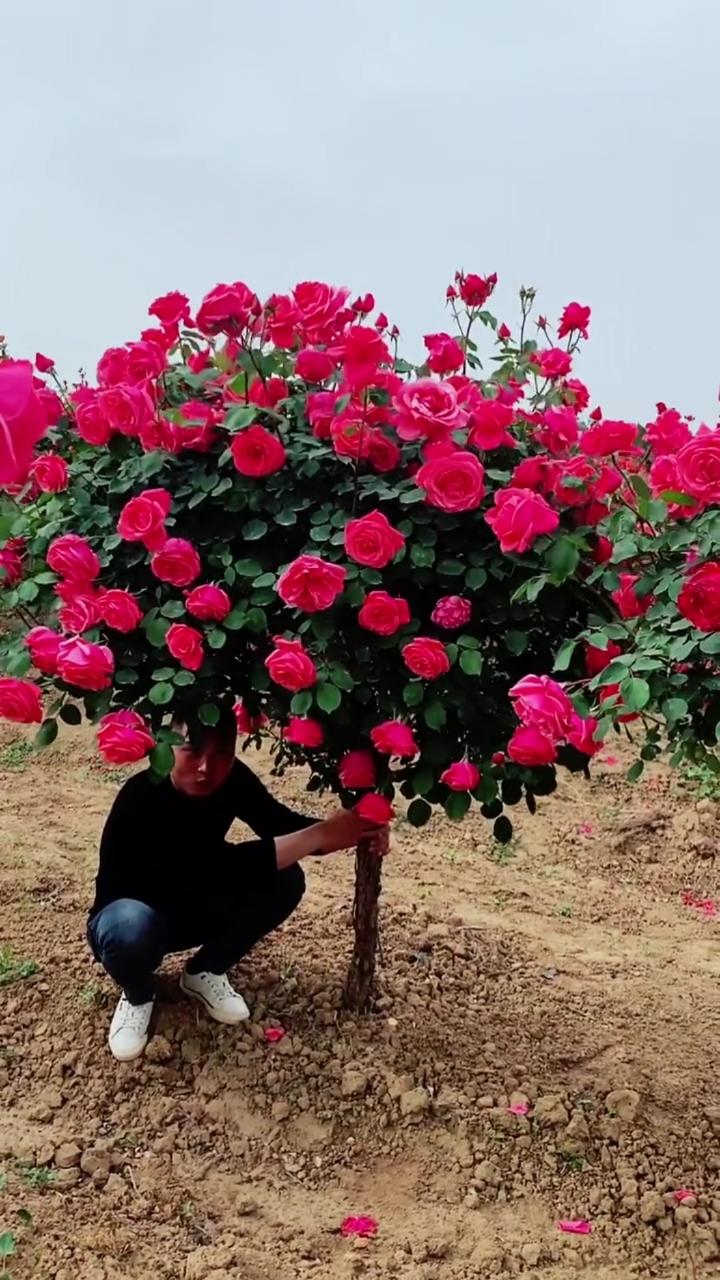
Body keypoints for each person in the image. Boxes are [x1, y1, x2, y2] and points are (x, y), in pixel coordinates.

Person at [87, 706, 388, 1062]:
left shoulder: (232, 781)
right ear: (164, 745)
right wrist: (322, 834)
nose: (205, 767)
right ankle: (138, 994)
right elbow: (210, 866)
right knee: (129, 927)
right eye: (192, 750)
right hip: (132, 922)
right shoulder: (140, 798)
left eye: (221, 755)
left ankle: (204, 970)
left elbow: (280, 824)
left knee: (285, 878)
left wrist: (354, 832)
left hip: (192, 906)